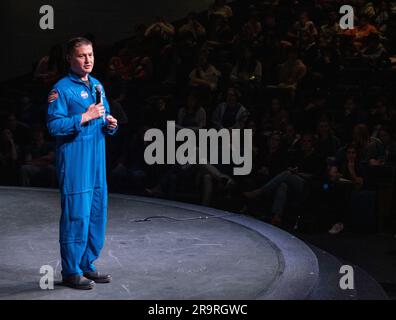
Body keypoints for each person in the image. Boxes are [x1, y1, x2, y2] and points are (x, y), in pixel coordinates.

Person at [46, 37, 118, 290]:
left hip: (97, 159)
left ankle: (87, 263)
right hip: (76, 160)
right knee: (77, 214)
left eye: (91, 55)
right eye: (81, 56)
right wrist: (84, 117)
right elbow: (54, 125)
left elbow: (103, 114)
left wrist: (110, 124)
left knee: (97, 212)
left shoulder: (97, 85)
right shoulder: (61, 89)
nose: (88, 60)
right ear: (70, 58)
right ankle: (71, 271)